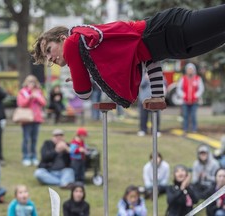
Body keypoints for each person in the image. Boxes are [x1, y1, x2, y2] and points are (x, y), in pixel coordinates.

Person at [32, 5, 225, 111]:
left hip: (168, 29)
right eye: (47, 59)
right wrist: (157, 95)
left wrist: (79, 71)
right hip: (174, 47)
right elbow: (149, 58)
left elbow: (83, 93)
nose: (51, 59)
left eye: (49, 50)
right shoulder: (92, 51)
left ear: (62, 39)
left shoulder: (74, 41)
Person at [17, 75, 46, 166]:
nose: (31, 83)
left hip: (36, 118)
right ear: (26, 82)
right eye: (29, 82)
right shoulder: (23, 92)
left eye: (33, 81)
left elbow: (43, 103)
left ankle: (34, 157)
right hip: (27, 118)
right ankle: (26, 157)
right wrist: (30, 97)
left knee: (34, 139)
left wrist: (36, 97)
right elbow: (21, 103)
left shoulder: (38, 91)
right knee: (26, 139)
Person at [177, 63, 204, 133]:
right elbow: (179, 89)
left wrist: (196, 95)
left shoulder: (198, 78)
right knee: (185, 115)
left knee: (193, 115)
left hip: (194, 101)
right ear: (186, 70)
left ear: (194, 70)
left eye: (191, 69)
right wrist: (183, 95)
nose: (190, 71)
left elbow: (201, 89)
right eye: (189, 69)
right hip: (185, 101)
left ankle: (194, 129)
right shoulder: (183, 78)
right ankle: (185, 128)